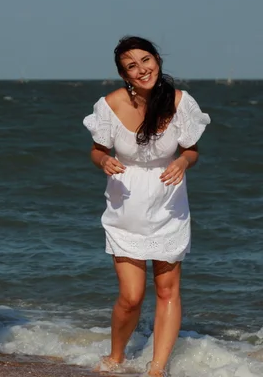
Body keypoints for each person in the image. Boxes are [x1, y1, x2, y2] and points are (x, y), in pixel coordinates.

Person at [83, 36, 211, 377]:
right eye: (132, 66)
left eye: (145, 60)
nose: (142, 70)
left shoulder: (181, 102)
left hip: (169, 205)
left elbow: (192, 150)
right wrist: (103, 161)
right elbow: (96, 150)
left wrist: (183, 162)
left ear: (157, 59)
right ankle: (117, 355)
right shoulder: (109, 105)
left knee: (168, 291)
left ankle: (156, 369)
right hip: (126, 206)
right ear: (124, 74)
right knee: (132, 296)